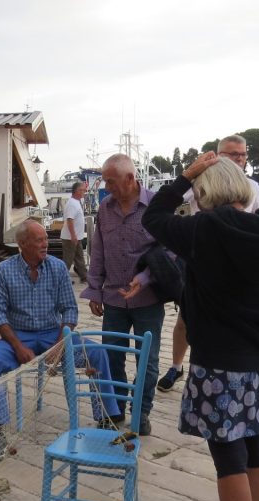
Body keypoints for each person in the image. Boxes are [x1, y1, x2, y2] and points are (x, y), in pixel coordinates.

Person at [142, 153, 259, 501]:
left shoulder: (205, 229)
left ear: (204, 194)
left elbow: (153, 217)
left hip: (219, 366)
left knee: (229, 459)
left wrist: (184, 177)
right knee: (257, 451)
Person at [0, 220, 120, 461]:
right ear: (22, 244)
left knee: (97, 354)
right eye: (39, 240)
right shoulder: (4, 270)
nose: (45, 244)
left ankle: (106, 420)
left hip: (53, 334)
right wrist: (18, 347)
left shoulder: (57, 268)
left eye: (45, 239)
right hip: (18, 336)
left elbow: (69, 310)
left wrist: (60, 344)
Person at [158, 135, 259, 393]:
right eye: (232, 154)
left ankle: (227, 367)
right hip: (201, 256)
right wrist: (192, 173)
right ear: (218, 155)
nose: (239, 159)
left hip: (238, 262)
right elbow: (172, 200)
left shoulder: (253, 186)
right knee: (186, 315)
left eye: (242, 154)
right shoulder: (200, 181)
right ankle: (176, 365)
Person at [81, 153, 165, 436]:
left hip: (148, 300)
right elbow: (99, 249)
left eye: (110, 181)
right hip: (114, 299)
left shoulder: (156, 205)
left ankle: (141, 413)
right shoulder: (105, 207)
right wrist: (95, 289)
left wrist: (144, 278)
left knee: (148, 361)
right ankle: (114, 411)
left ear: (130, 178)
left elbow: (170, 251)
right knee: (111, 357)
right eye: (105, 181)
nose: (107, 187)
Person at [60, 181, 89, 283]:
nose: (84, 192)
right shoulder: (72, 204)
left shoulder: (76, 202)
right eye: (82, 190)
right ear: (77, 191)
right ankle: (62, 279)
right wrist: (73, 236)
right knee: (68, 260)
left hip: (76, 237)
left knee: (79, 258)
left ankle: (84, 277)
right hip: (70, 238)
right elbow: (69, 220)